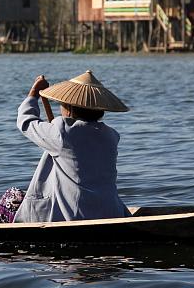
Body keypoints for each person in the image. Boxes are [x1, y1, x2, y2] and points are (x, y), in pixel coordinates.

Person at [7, 70, 132, 223]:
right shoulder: (111, 136)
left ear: (69, 108)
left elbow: (25, 122)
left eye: (62, 104)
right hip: (111, 212)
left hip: (73, 215)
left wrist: (33, 94)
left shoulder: (62, 132)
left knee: (10, 198)